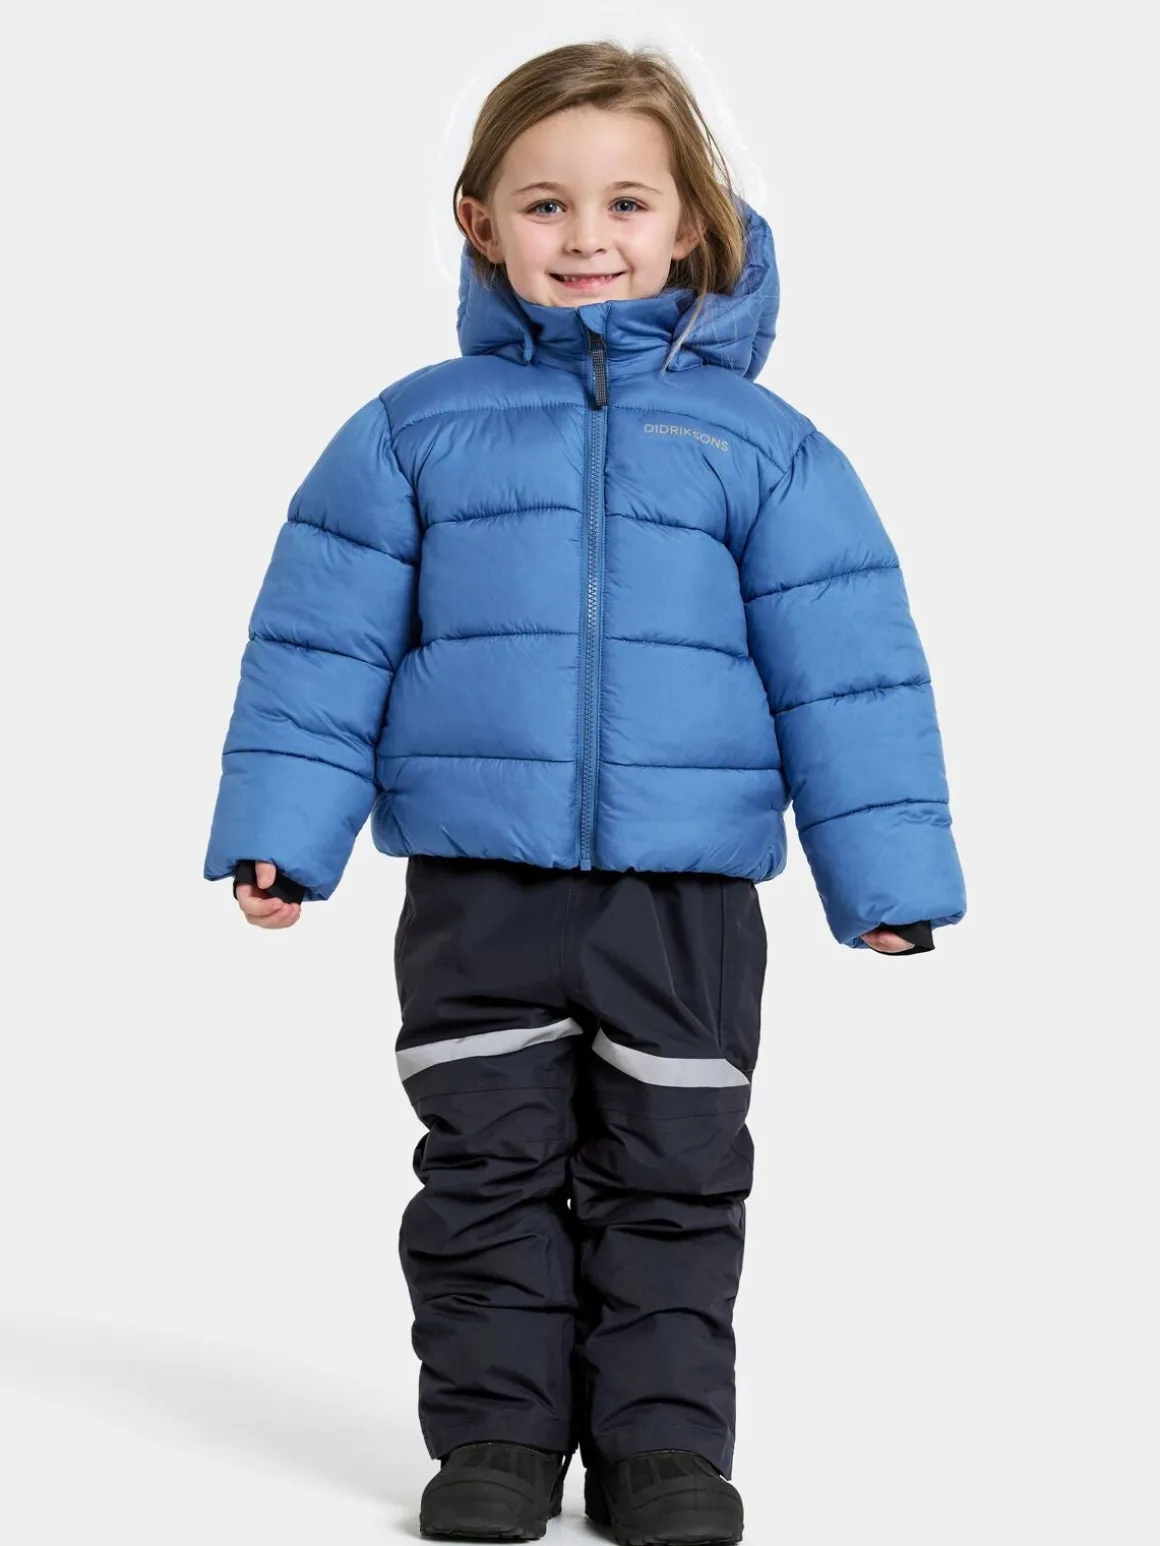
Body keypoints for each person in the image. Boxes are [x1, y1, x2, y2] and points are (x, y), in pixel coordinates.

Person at [205, 39, 966, 1546]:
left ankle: (661, 1449)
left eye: (627, 202)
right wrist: (285, 838)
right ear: (480, 222)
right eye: (545, 204)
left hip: (683, 896)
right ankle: (494, 1437)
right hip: (478, 888)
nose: (587, 237)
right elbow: (320, 641)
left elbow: (849, 667)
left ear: (691, 221)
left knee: (675, 1174)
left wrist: (883, 881)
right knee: (483, 1168)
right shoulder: (413, 431)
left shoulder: (764, 450)